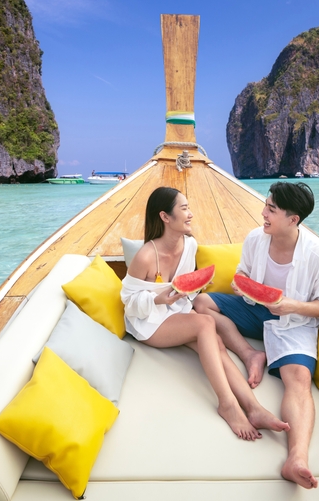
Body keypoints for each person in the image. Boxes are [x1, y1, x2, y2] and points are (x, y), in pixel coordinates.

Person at [193, 181, 319, 489]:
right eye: (265, 205)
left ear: (293, 219)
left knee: (299, 379)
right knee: (202, 302)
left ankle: (296, 458)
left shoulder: (318, 256)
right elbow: (244, 272)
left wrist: (290, 305)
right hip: (253, 310)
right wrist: (241, 281)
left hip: (294, 324)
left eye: (271, 209)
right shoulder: (256, 238)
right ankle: (250, 354)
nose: (263, 213)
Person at [121, 186, 289, 441]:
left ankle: (254, 408)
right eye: (184, 208)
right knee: (205, 324)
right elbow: (129, 302)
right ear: (165, 217)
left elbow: (183, 291)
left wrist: (194, 288)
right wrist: (158, 297)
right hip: (147, 322)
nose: (191, 214)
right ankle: (227, 404)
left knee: (217, 346)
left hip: (174, 312)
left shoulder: (189, 245)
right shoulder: (146, 256)